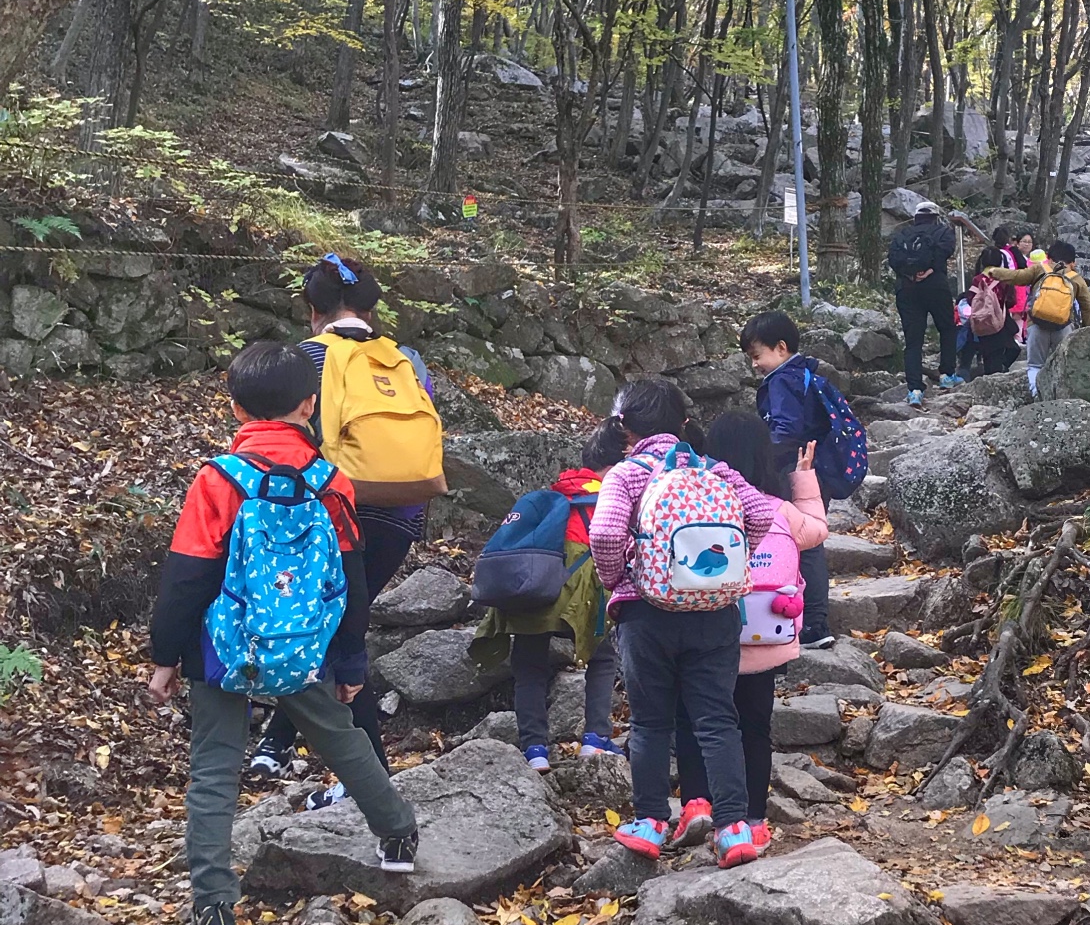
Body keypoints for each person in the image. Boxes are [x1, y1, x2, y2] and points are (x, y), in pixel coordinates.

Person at [147, 342, 419, 925]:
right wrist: (350, 658)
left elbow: (187, 574)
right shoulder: (331, 481)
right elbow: (350, 576)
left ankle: (214, 909)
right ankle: (398, 834)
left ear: (236, 406)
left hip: (225, 650)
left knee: (215, 769)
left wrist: (166, 656)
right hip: (305, 647)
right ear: (309, 404)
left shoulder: (218, 479)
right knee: (340, 739)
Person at [249, 254, 443, 804]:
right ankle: (283, 740)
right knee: (338, 631)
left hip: (336, 512)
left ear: (313, 309)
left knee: (338, 634)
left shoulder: (306, 357)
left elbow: (284, 448)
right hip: (403, 514)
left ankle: (369, 783)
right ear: (371, 306)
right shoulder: (405, 360)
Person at [588, 379, 784, 867]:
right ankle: (735, 827)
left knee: (652, 721)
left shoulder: (627, 474)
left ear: (624, 427)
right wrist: (726, 570)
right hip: (715, 614)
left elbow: (608, 532)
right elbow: (762, 512)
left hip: (647, 615)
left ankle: (651, 821)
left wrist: (620, 582)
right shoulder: (716, 470)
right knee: (718, 720)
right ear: (684, 425)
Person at [673, 413, 827, 853]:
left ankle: (698, 804)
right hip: (764, 636)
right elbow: (817, 531)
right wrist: (803, 478)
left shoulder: (698, 506)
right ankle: (754, 821)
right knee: (754, 728)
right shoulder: (777, 510)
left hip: (705, 633)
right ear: (764, 454)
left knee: (695, 721)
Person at [470, 419, 629, 773]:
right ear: (616, 465)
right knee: (602, 658)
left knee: (529, 666)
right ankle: (595, 739)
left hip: (536, 583)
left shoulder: (556, 493)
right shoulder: (609, 498)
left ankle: (535, 750)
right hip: (581, 592)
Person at [738, 310, 837, 649]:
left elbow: (785, 431)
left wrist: (761, 461)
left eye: (756, 356)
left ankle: (810, 622)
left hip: (794, 469)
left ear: (780, 348)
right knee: (810, 540)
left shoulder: (782, 381)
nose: (754, 364)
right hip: (815, 468)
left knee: (802, 542)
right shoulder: (804, 374)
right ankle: (815, 620)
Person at [988, 238, 1090, 397]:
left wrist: (993, 272)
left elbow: (1017, 276)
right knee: (1064, 365)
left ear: (1049, 258)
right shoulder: (1076, 278)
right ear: (1073, 262)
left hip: (1037, 325)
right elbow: (1088, 308)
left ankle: (1036, 394)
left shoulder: (1040, 269)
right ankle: (1061, 397)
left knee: (1035, 365)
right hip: (1063, 327)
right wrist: (1087, 331)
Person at [887, 200, 964, 405]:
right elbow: (944, 251)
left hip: (907, 288)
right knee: (947, 328)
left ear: (916, 216)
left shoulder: (902, 235)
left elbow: (893, 258)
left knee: (913, 341)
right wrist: (929, 270)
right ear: (935, 215)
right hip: (935, 286)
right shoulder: (942, 231)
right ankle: (947, 374)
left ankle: (914, 390)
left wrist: (909, 275)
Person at [967, 248, 1022, 375]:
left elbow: (971, 299)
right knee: (1007, 349)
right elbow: (1011, 301)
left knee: (987, 354)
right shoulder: (1002, 279)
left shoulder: (977, 279)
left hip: (981, 322)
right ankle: (1000, 371)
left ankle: (988, 376)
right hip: (999, 321)